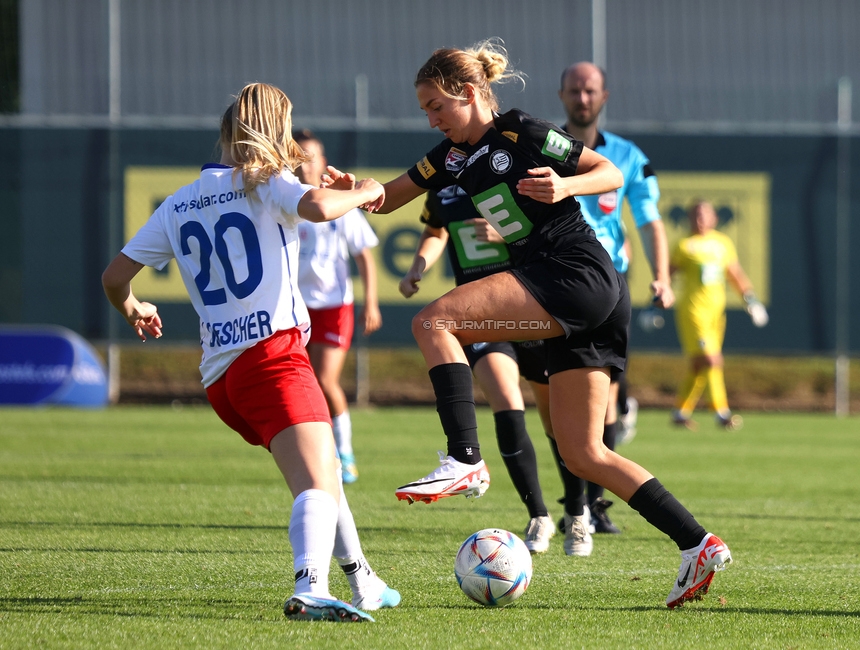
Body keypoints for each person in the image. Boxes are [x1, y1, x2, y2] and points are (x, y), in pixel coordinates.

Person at [361, 40, 731, 608]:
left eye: (436, 106)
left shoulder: (523, 132)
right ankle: (697, 544)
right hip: (584, 294)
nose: (430, 118)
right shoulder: (450, 155)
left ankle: (464, 460)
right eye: (425, 110)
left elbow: (606, 172)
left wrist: (565, 184)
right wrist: (350, 191)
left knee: (434, 322)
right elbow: (388, 198)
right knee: (583, 453)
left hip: (574, 273)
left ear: (469, 93)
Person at [101, 83, 398, 622]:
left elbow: (114, 277)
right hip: (273, 357)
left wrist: (134, 308)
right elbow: (319, 206)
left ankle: (363, 579)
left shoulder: (178, 202)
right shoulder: (266, 183)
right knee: (316, 480)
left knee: (323, 469)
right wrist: (365, 191)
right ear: (272, 129)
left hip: (222, 379)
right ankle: (310, 585)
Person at [398, 185, 591, 556]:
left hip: (528, 308)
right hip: (480, 315)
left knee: (556, 422)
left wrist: (507, 235)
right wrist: (417, 267)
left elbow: (552, 231)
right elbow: (436, 229)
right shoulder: (444, 184)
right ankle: (538, 515)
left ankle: (577, 511)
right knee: (506, 400)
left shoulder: (508, 174)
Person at [557, 61, 674, 534]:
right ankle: (570, 505)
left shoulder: (627, 156)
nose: (582, 99)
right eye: (574, 91)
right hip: (553, 282)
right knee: (555, 399)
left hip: (608, 287)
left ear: (604, 96)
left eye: (590, 91)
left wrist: (662, 276)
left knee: (602, 401)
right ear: (561, 95)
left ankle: (590, 503)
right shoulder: (544, 147)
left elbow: (649, 219)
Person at [293, 129, 382, 484]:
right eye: (298, 156)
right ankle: (318, 451)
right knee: (304, 382)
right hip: (296, 307)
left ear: (323, 162)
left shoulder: (338, 204)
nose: (305, 163)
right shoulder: (284, 200)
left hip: (333, 305)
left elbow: (365, 256)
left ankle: (344, 450)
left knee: (326, 380)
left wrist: (371, 302)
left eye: (311, 156)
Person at [670, 200, 767, 431]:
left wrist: (750, 300)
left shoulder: (722, 244)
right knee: (712, 360)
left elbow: (735, 274)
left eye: (704, 215)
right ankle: (721, 413)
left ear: (714, 218)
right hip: (693, 312)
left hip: (716, 314)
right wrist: (656, 304)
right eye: (695, 215)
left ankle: (680, 412)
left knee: (699, 364)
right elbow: (668, 275)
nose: (700, 220)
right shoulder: (684, 245)